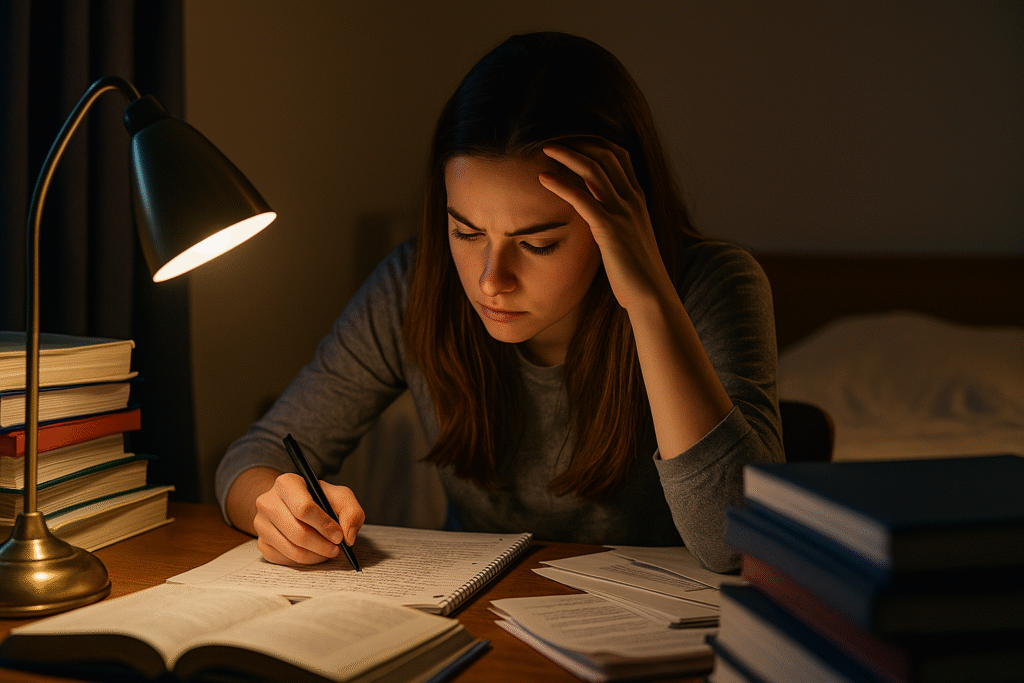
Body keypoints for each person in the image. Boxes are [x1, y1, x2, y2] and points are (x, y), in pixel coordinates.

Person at [215, 31, 783, 573]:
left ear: (621, 217)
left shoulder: (713, 285)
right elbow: (252, 458)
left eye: (538, 244)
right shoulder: (416, 284)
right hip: (479, 610)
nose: (492, 280)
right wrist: (280, 509)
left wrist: (649, 299)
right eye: (466, 232)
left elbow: (735, 544)